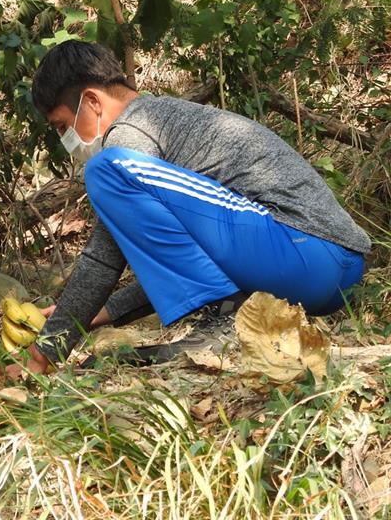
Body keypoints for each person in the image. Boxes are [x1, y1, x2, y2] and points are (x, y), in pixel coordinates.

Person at [21, 40, 369, 374]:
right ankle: (228, 314)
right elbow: (193, 258)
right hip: (334, 271)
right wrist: (103, 313)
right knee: (115, 172)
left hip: (303, 251)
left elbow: (103, 256)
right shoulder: (167, 121)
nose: (66, 140)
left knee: (106, 170)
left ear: (93, 102)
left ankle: (226, 319)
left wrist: (46, 350)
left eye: (63, 126)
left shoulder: (130, 131)